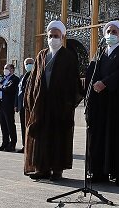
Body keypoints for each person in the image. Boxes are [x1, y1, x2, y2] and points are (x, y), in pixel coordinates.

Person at [24, 20, 82, 181]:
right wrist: (30, 99)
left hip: (59, 105)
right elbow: (33, 79)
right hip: (42, 105)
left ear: (62, 37)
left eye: (56, 36)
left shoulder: (68, 56)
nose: (53, 39)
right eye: (50, 36)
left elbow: (73, 82)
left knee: (58, 137)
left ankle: (57, 169)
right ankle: (41, 168)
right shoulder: (41, 55)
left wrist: (68, 102)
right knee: (41, 137)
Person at [86, 20, 119, 186]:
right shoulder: (100, 53)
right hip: (101, 104)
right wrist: (95, 84)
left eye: (114, 32)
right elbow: (92, 72)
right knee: (100, 137)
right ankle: (100, 172)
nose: (110, 35)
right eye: (108, 31)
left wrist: (106, 83)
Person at [0, 62, 20, 152]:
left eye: (7, 68)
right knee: (3, 125)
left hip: (9, 105)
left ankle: (12, 143)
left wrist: (1, 87)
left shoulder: (15, 79)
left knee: (10, 124)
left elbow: (8, 89)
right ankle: (5, 143)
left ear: (12, 70)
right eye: (4, 68)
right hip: (1, 105)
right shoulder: (3, 79)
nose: (5, 70)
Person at [15, 57, 34, 153]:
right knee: (23, 127)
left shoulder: (35, 76)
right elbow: (18, 92)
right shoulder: (22, 77)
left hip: (31, 106)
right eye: (27, 63)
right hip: (22, 106)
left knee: (30, 126)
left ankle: (32, 145)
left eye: (30, 63)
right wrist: (16, 104)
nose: (29, 65)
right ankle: (25, 145)